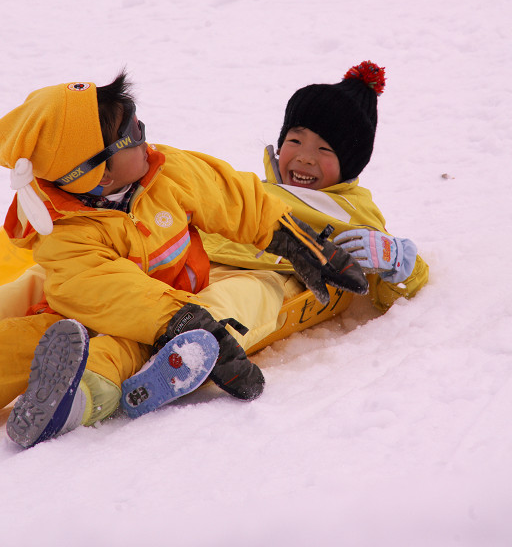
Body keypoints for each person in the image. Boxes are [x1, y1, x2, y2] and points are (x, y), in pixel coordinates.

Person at [0, 72, 367, 448]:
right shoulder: (65, 233)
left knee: (119, 350)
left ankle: (78, 398)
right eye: (133, 133)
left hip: (154, 308)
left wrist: (291, 239)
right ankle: (62, 389)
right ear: (99, 174)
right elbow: (104, 290)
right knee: (28, 311)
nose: (145, 133)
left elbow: (231, 197)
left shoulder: (166, 170)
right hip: (106, 305)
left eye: (138, 120)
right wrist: (181, 320)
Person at [201, 60, 429, 342]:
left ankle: (199, 344)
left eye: (323, 149)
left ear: (348, 165)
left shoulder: (348, 210)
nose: (305, 157)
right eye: (295, 141)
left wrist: (395, 259)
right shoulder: (253, 188)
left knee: (241, 299)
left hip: (270, 276)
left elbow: (392, 293)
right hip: (199, 259)